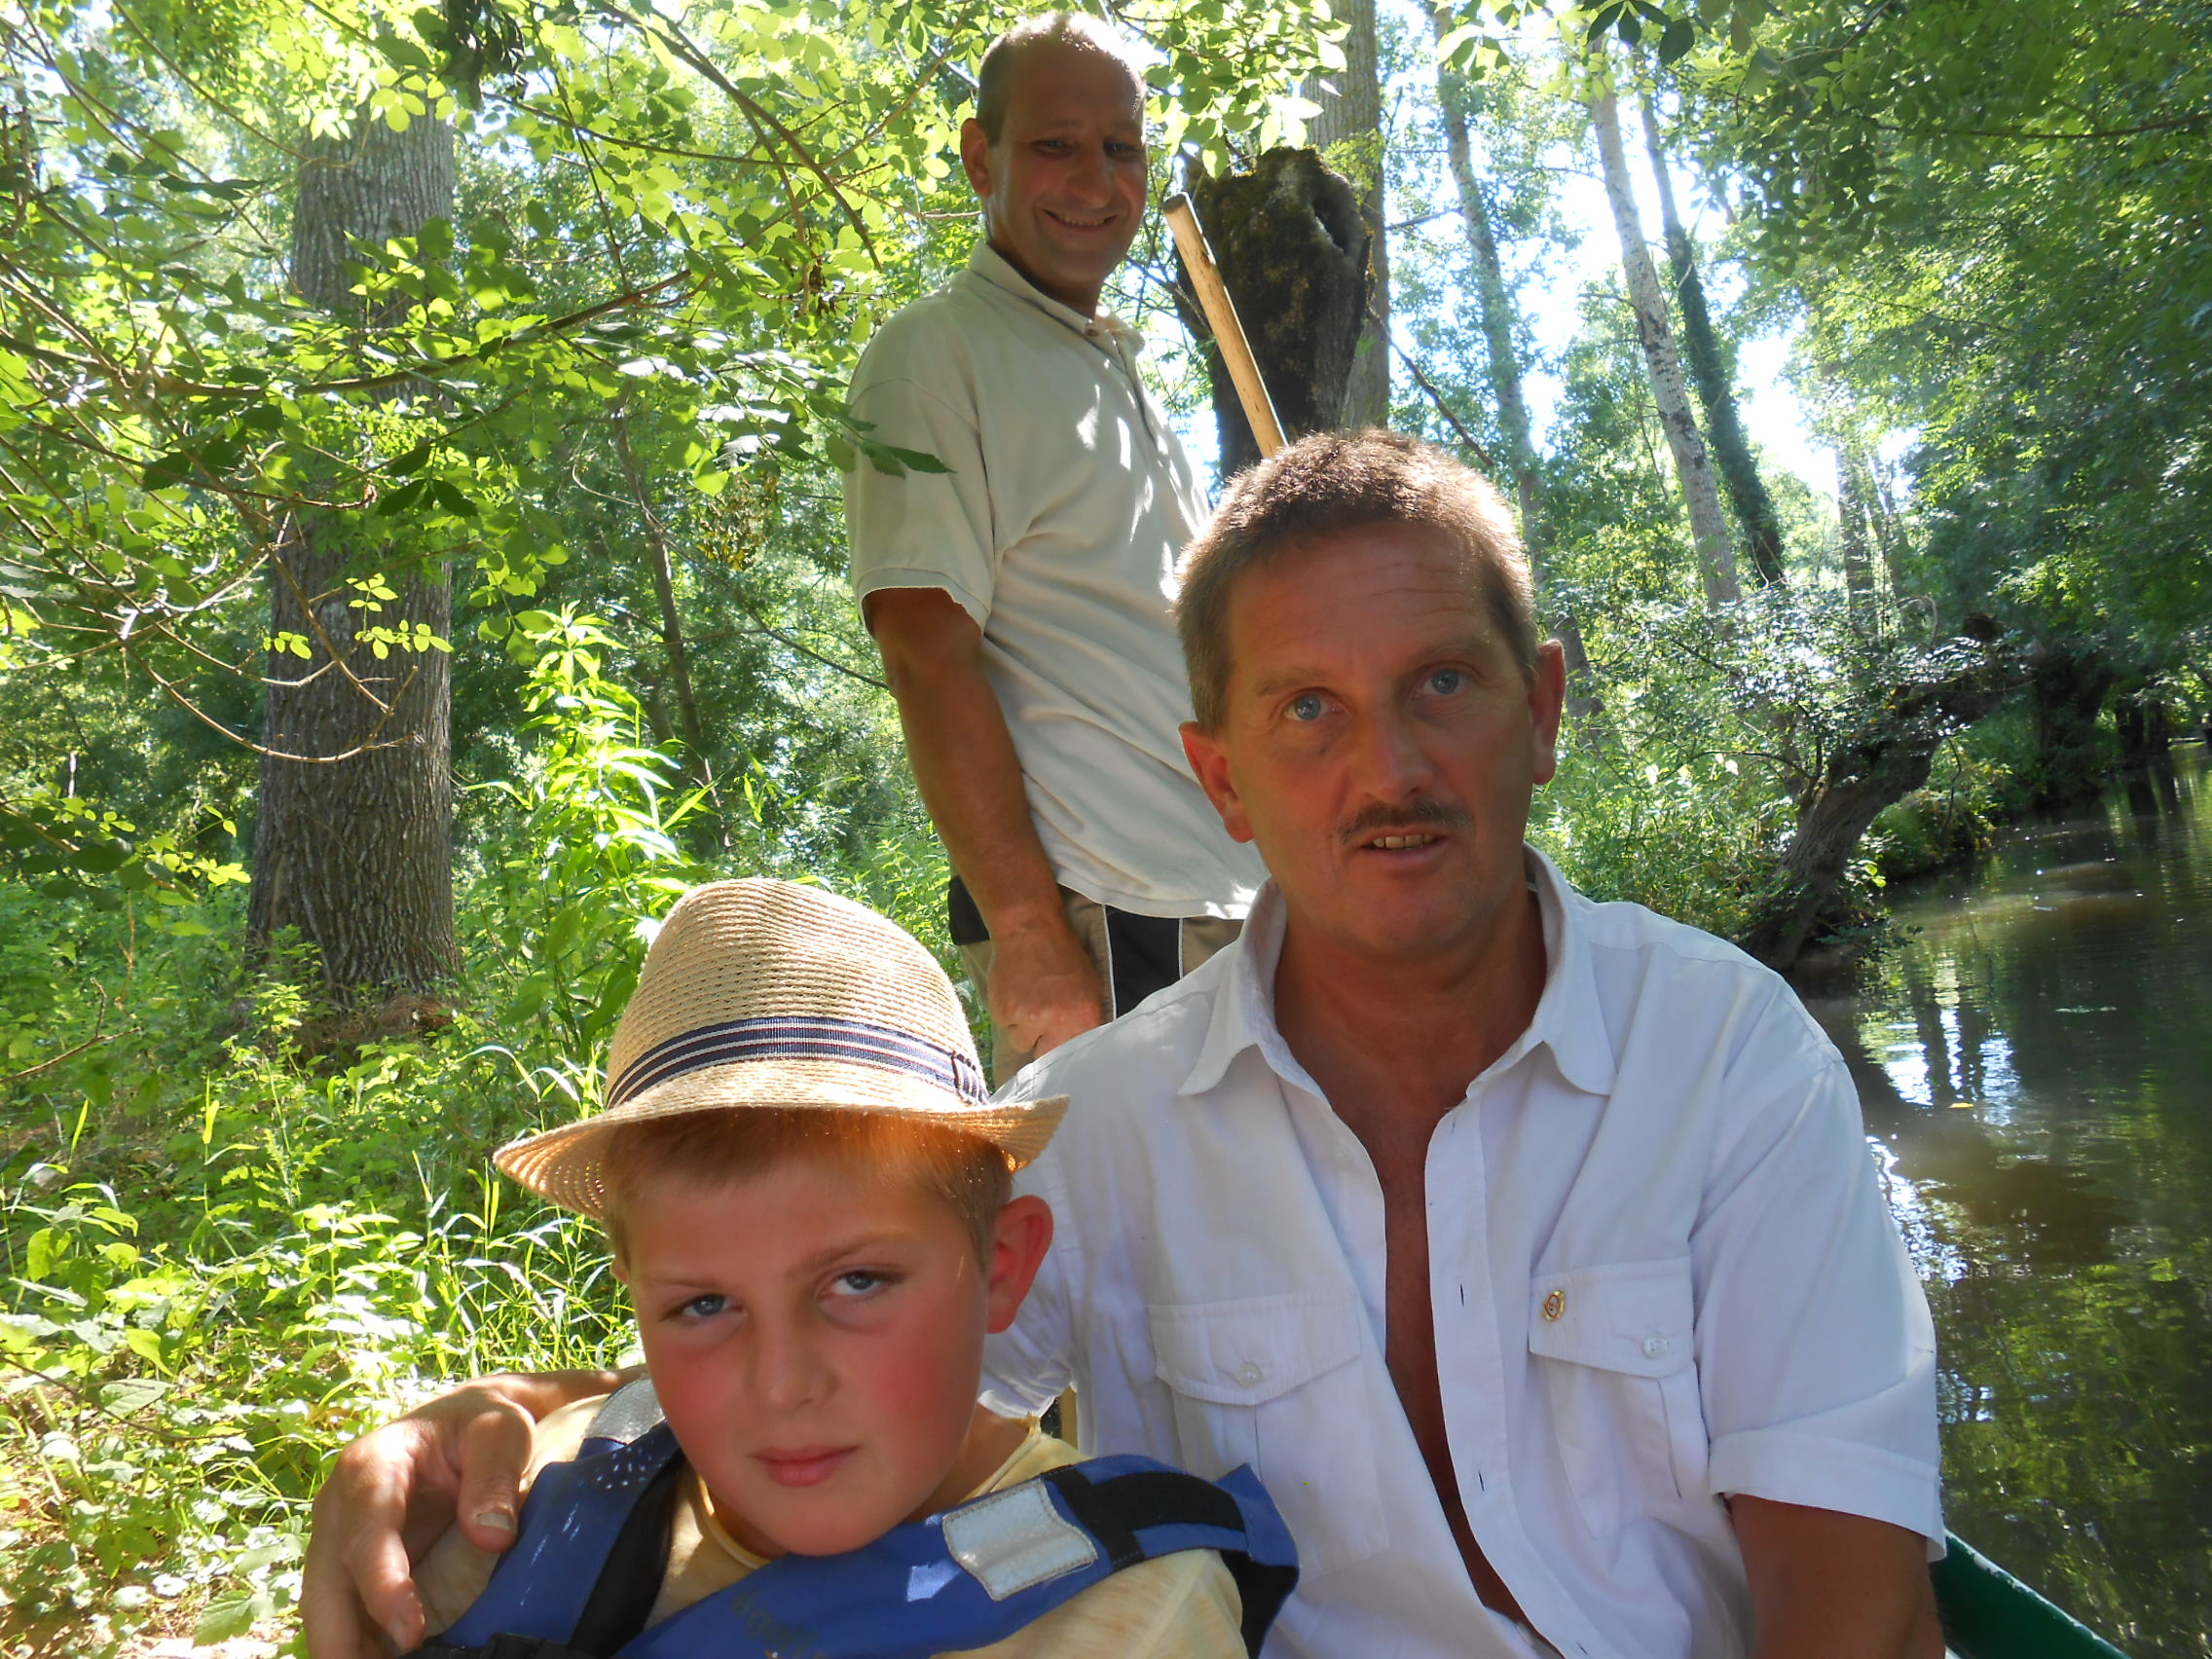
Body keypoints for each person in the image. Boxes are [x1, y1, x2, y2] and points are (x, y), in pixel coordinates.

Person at [303, 433, 1944, 1659]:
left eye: (1440, 680)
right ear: (1218, 775)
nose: (1387, 766)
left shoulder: (1730, 1059)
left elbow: (1853, 1611)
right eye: (1305, 709)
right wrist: (471, 1421)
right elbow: (826, 1341)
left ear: (1544, 705)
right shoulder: (1098, 1119)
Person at [387, 878, 1296, 1659]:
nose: (782, 1386)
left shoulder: (1136, 1620)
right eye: (705, 1304)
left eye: (856, 1283)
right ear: (632, 1287)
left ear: (1003, 1266)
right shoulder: (505, 1509)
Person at [846, 12, 1265, 1077]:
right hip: (1114, 919)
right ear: (980, 156)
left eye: (1120, 147)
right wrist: (1027, 934)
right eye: (1055, 144)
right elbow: (922, 653)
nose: (1096, 178)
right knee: (1144, 1243)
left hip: (1227, 905)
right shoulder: (931, 357)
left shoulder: (1105, 366)